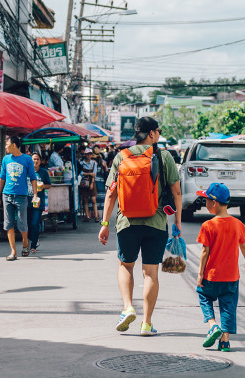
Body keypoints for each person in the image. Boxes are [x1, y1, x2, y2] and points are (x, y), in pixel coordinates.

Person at [98, 116, 182, 337]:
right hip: (156, 223)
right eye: (158, 131)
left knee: (125, 266)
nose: (159, 135)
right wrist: (178, 224)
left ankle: (127, 307)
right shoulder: (164, 157)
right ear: (152, 134)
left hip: (127, 222)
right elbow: (177, 193)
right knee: (150, 273)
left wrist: (105, 224)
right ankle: (146, 323)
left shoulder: (121, 157)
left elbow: (111, 193)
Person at [195, 183, 245, 353]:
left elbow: (205, 252)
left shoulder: (208, 225)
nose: (204, 202)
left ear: (214, 203)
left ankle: (213, 326)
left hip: (211, 276)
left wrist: (200, 275)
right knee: (228, 307)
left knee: (203, 296)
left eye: (206, 199)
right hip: (231, 277)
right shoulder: (237, 224)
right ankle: (225, 342)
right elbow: (242, 245)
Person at [0, 135, 39, 261]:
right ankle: (13, 251)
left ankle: (25, 242)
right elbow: (1, 178)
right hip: (7, 195)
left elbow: (33, 178)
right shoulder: (5, 159)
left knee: (22, 223)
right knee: (8, 224)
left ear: (14, 145)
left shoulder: (27, 159)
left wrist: (35, 195)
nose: (5, 147)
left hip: (21, 196)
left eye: (7, 144)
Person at [27, 153, 51, 254]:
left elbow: (49, 185)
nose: (35, 161)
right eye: (33, 159)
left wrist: (42, 187)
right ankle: (31, 239)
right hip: (27, 201)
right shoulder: (26, 172)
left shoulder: (44, 172)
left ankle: (33, 245)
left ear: (40, 161)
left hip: (38, 202)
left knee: (35, 223)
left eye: (37, 159)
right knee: (28, 224)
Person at [79, 148, 100, 223]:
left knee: (93, 199)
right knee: (85, 200)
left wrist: (91, 183)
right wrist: (89, 174)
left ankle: (96, 216)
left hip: (91, 181)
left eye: (90, 154)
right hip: (83, 182)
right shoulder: (81, 163)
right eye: (88, 154)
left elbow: (94, 174)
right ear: (85, 155)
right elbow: (81, 173)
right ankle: (87, 216)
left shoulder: (94, 163)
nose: (89, 155)